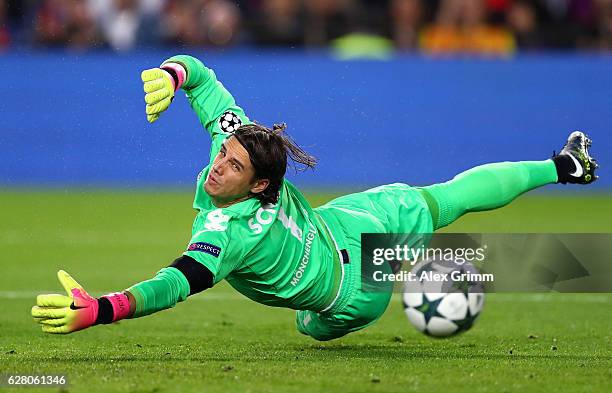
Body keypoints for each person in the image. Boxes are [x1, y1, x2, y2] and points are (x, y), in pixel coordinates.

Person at [31, 55, 598, 340]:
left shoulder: (228, 234)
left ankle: (554, 172)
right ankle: (555, 173)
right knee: (441, 201)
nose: (217, 167)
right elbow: (202, 78)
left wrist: (103, 309)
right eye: (221, 153)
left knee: (309, 326)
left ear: (259, 186)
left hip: (349, 294)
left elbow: (175, 283)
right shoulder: (248, 144)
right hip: (345, 224)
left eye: (231, 166)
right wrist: (172, 74)